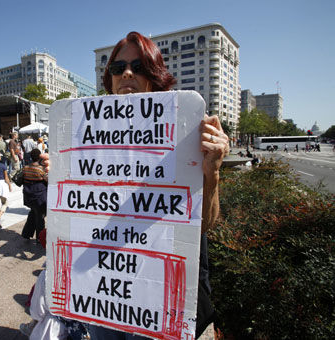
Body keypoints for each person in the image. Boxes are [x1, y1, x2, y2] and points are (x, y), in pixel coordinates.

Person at [73, 32, 228, 340]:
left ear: (155, 76)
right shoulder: (86, 137)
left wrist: (212, 174)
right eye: (118, 68)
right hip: (103, 291)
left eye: (139, 66)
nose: (127, 73)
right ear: (110, 79)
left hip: (159, 297)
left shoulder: (186, 133)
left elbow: (205, 225)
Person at [21, 149, 48, 240]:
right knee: (40, 217)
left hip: (29, 195)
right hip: (39, 196)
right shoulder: (41, 169)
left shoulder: (25, 168)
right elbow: (48, 180)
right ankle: (40, 238)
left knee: (33, 213)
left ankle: (26, 233)